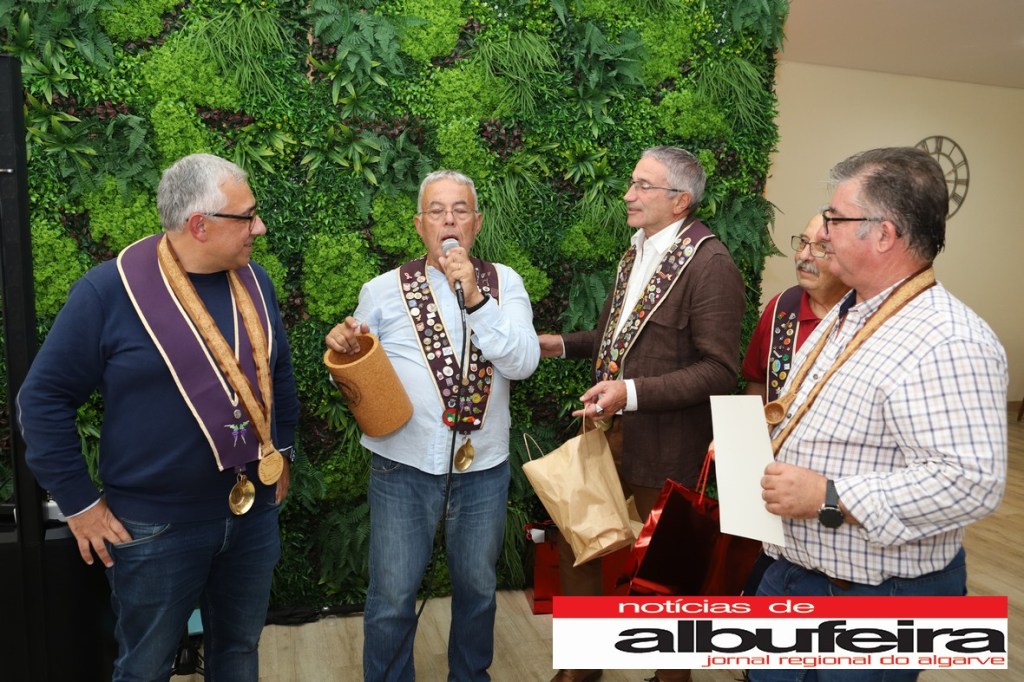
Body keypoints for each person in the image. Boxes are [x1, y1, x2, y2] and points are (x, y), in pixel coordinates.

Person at [17, 153, 299, 681]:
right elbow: (42, 400)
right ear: (200, 225)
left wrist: (282, 451)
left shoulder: (255, 282)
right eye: (247, 216)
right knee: (145, 668)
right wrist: (80, 505)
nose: (259, 227)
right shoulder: (109, 291)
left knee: (239, 649)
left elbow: (275, 373)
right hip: (153, 527)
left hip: (253, 515)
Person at [752, 147, 1007, 681]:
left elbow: (971, 482)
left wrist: (828, 496)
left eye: (835, 218)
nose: (823, 232)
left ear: (884, 234)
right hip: (797, 573)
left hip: (874, 598)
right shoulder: (851, 310)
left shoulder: (948, 340)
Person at [538, 146, 745, 682]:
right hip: (607, 433)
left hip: (667, 446)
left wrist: (629, 392)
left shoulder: (710, 264)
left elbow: (720, 370)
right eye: (632, 183)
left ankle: (671, 678)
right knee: (578, 541)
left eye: (642, 186)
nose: (628, 195)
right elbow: (617, 337)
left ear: (680, 201)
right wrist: (560, 345)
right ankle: (583, 666)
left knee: (666, 570)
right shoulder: (636, 251)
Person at [324, 170, 539, 682]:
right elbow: (357, 369)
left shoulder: (504, 283)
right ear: (419, 224)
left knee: (478, 591)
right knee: (392, 595)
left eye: (460, 210)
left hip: (483, 471)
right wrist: (345, 351)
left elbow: (523, 363)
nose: (449, 220)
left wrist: (476, 298)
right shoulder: (382, 290)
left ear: (476, 223)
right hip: (402, 466)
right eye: (437, 211)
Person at [741, 213, 850, 403]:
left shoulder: (864, 315)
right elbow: (757, 385)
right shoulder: (781, 308)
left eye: (821, 247)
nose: (803, 256)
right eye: (803, 242)